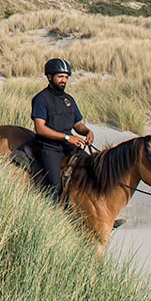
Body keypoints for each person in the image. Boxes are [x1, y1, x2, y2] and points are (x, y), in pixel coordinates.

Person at [29, 57, 95, 201]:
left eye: (66, 77)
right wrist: (67, 137)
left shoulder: (69, 100)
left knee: (94, 171)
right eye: (60, 77)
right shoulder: (41, 99)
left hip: (69, 145)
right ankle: (50, 214)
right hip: (48, 147)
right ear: (49, 77)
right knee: (54, 184)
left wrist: (87, 132)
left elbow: (77, 124)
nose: (63, 80)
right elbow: (40, 128)